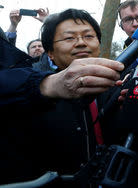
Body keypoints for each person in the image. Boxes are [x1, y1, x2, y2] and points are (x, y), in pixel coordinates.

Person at [0, 9, 123, 185]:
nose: (81, 43)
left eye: (88, 36)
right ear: (50, 53)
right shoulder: (28, 98)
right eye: (69, 38)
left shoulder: (119, 87)